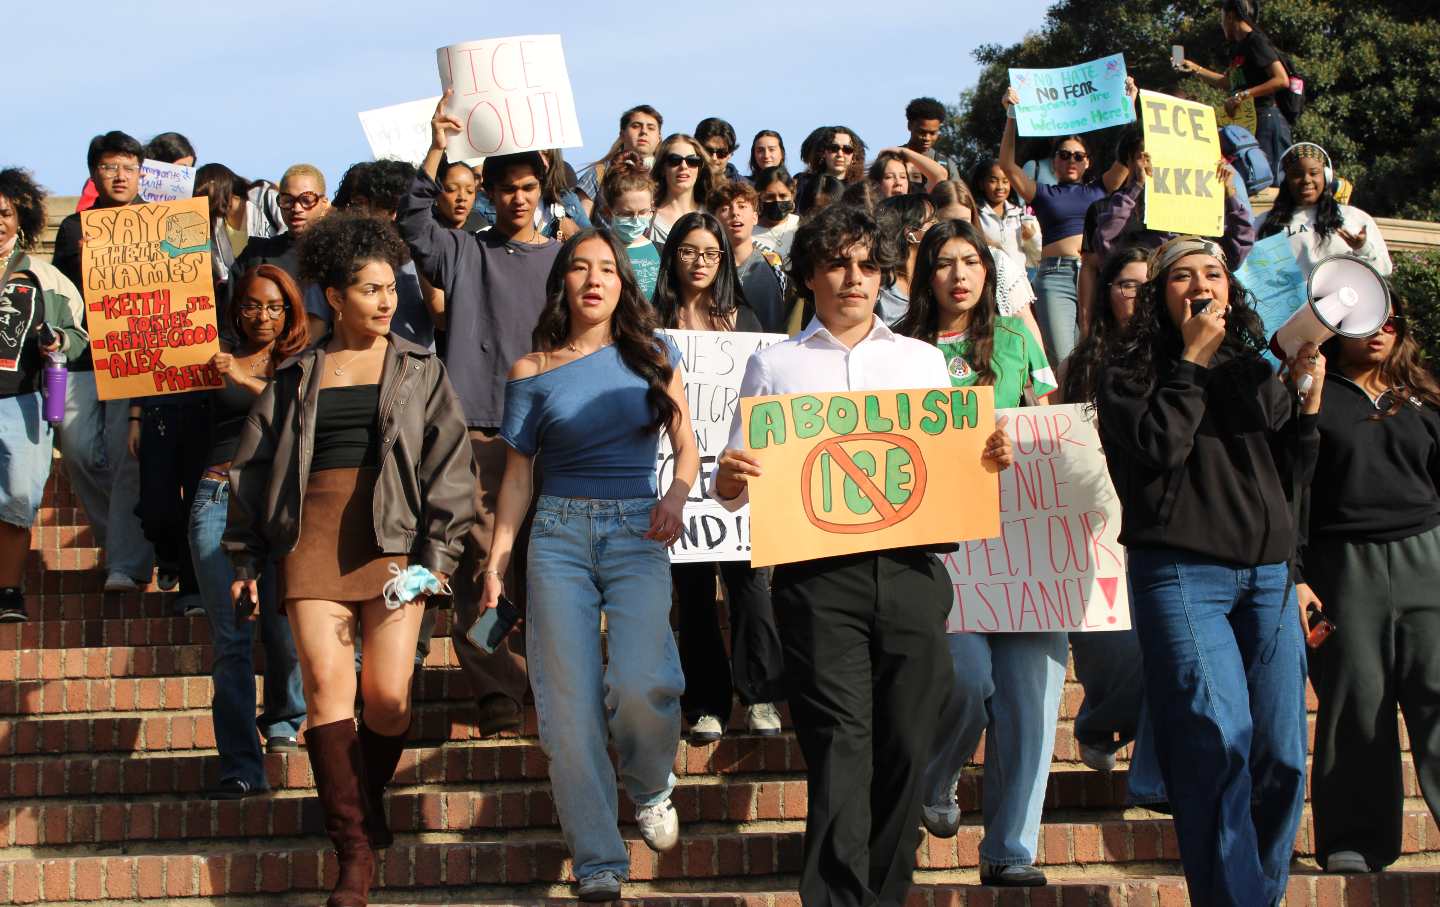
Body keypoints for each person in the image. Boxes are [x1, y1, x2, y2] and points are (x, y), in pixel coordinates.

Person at [712, 203, 1015, 906]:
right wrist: (729, 479)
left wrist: (987, 456)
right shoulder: (772, 363)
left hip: (913, 572)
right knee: (839, 748)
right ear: (810, 274)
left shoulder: (921, 359)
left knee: (909, 743)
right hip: (816, 582)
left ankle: (883, 892)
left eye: (867, 264)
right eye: (838, 263)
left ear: (883, 273)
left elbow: (952, 464)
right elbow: (736, 481)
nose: (854, 277)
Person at [226, 212, 475, 907]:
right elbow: (255, 465)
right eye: (370, 289)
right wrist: (245, 557)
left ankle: (363, 795)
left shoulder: (420, 366)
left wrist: (439, 555)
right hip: (311, 540)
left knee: (389, 697)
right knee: (329, 699)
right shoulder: (298, 370)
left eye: (391, 287)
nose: (386, 300)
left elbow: (451, 468)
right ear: (334, 297)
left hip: (395, 542)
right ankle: (354, 854)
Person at [1095, 235, 1323, 906]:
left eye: (1215, 274)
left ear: (1231, 289)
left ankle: (1259, 894)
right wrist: (1191, 360)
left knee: (1281, 755)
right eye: (1183, 277)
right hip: (1183, 576)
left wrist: (1305, 404)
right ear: (1157, 296)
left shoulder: (1251, 368)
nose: (1202, 285)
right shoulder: (1125, 372)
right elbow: (1162, 446)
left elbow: (1293, 473)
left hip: (1268, 578)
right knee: (1217, 741)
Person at [479, 228, 698, 901]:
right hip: (557, 536)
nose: (595, 278)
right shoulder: (531, 370)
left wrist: (677, 494)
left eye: (608, 268)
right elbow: (518, 477)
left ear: (621, 283)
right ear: (563, 283)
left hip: (638, 528)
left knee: (641, 681)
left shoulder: (655, 356)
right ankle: (599, 859)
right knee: (567, 709)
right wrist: (497, 563)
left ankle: (652, 780)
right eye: (580, 267)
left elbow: (686, 446)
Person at [892, 220, 1060, 885]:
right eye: (943, 262)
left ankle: (1011, 852)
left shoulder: (1019, 337)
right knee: (966, 678)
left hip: (1026, 542)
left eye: (971, 261)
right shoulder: (899, 347)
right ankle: (935, 780)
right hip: (940, 542)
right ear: (923, 275)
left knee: (1032, 700)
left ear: (988, 273)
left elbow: (1049, 423)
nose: (959, 274)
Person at [397, 92, 562, 735]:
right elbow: (414, 225)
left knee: (544, 567)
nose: (517, 199)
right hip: (478, 432)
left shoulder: (563, 260)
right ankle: (497, 686)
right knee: (477, 567)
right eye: (506, 188)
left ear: (540, 189)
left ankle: (547, 677)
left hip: (552, 432)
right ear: (487, 191)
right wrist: (437, 147)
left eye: (528, 187)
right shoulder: (463, 252)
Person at [1297, 293, 1440, 875]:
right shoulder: (1312, 395)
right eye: (1362, 322)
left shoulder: (1427, 396)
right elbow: (1295, 490)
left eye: (1388, 320)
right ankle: (1354, 840)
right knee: (1357, 701)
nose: (1377, 332)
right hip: (1343, 566)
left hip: (1429, 558)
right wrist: (1297, 577)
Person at [649, 211, 783, 741]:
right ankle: (706, 703)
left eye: (710, 253)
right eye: (688, 251)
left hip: (737, 478)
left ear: (724, 260)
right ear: (672, 256)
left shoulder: (747, 322)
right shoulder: (649, 323)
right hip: (674, 477)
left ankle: (762, 694)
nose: (699, 262)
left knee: (751, 586)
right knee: (693, 590)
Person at [1055, 245, 1168, 808]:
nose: (1138, 295)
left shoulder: (1178, 356)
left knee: (1161, 645)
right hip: (1093, 524)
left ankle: (1153, 770)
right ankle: (1100, 724)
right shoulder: (1083, 364)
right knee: (1109, 648)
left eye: (1149, 284)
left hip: (1159, 521)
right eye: (1126, 284)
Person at [192, 264, 308, 795]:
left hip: (281, 503)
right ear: (236, 308)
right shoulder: (213, 355)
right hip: (218, 496)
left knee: (284, 623)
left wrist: (244, 379)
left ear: (290, 310)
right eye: (251, 306)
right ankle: (241, 765)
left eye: (273, 306)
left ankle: (285, 719)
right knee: (231, 639)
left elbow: (302, 419)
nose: (262, 316)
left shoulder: (306, 358)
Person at [50, 130, 156, 593]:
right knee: (75, 448)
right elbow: (58, 292)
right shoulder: (74, 227)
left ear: (141, 174)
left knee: (124, 456)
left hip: (135, 355)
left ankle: (126, 564)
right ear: (94, 173)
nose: (119, 175)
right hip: (83, 358)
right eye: (110, 167)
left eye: (129, 167)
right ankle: (121, 541)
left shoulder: (158, 221)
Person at [0, 169, 88, 622]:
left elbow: (78, 333)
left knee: (17, 495)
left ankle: (8, 590)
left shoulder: (42, 276)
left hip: (23, 402)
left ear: (22, 218)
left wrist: (58, 342)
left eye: (5, 213)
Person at [1000, 82, 1132, 364]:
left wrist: (1128, 105)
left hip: (1095, 275)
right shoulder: (1042, 192)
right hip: (1054, 277)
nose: (1071, 160)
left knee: (1097, 353)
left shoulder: (1100, 189)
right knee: (1063, 358)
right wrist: (1011, 116)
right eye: (1064, 155)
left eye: (1078, 156)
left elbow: (1129, 159)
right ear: (1054, 161)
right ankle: (1066, 409)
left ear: (1088, 162)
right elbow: (1008, 166)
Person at [308, 159, 436, 351]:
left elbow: (441, 316)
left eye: (404, 207)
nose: (395, 216)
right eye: (387, 207)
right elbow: (313, 340)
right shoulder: (334, 262)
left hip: (413, 374)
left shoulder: (426, 254)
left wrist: (422, 257)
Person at [1178, 0, 1293, 185]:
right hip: (1248, 123)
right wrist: (1195, 68)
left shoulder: (1255, 41)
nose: (1221, 23)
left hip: (1266, 119)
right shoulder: (1238, 48)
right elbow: (1228, 83)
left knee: (1269, 180)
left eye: (1222, 18)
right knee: (1251, 177)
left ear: (1230, 16)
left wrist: (1242, 96)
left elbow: (1281, 79)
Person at [930, 180, 1046, 350]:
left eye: (963, 222)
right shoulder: (923, 261)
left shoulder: (997, 261)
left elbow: (1025, 324)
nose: (956, 231)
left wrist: (1042, 373)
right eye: (946, 223)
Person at [1257, 142, 1392, 280]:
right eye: (1296, 174)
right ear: (1285, 179)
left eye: (1314, 173)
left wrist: (1362, 248)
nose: (1306, 180)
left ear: (1326, 176)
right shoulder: (1263, 223)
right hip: (1293, 301)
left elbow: (1384, 269)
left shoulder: (1354, 217)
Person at [229, 163, 332, 315]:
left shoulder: (338, 253)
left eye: (307, 200)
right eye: (287, 200)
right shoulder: (257, 254)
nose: (297, 208)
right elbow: (230, 312)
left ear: (324, 203)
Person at [194, 164, 286, 300]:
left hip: (278, 285)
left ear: (217, 185)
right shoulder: (213, 226)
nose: (202, 202)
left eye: (204, 194)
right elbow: (223, 274)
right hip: (247, 299)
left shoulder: (263, 197)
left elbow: (288, 231)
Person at [709, 182, 788, 332]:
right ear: (715, 220)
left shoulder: (774, 264)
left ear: (755, 217)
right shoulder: (707, 266)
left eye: (742, 206)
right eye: (725, 208)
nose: (735, 213)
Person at [576, 104, 664, 221]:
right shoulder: (599, 173)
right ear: (622, 134)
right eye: (636, 126)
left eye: (651, 128)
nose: (643, 131)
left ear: (659, 137)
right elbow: (580, 223)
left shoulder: (666, 175)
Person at [602, 161, 662, 301]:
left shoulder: (660, 250)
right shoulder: (600, 249)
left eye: (642, 212)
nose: (635, 220)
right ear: (608, 212)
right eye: (626, 214)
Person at [873, 194, 936, 325]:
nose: (938, 226)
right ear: (910, 232)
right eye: (932, 221)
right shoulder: (879, 287)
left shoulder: (936, 278)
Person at [649, 135, 716, 247]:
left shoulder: (714, 215)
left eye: (692, 161)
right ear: (662, 168)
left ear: (700, 168)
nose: (684, 166)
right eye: (674, 160)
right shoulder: (645, 216)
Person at [971, 157, 1034, 269]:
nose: (1000, 187)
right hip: (989, 277)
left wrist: (1032, 237)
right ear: (981, 184)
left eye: (1005, 181)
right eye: (993, 181)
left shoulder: (1020, 213)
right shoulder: (975, 213)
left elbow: (1034, 254)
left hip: (1018, 279)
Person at [903, 96, 962, 182]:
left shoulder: (946, 165)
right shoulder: (893, 159)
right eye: (922, 132)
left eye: (932, 133)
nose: (927, 138)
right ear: (909, 126)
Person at [751, 165, 800, 261]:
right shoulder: (748, 232)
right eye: (770, 197)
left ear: (792, 195)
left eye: (783, 196)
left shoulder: (802, 225)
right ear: (759, 197)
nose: (777, 201)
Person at [867, 147, 946, 198]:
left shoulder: (917, 206)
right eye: (889, 177)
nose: (898, 182)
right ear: (876, 184)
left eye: (903, 177)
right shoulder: (870, 214)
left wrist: (903, 151)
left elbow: (940, 175)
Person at [696, 117, 745, 183]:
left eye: (721, 153)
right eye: (707, 151)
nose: (714, 158)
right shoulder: (682, 185)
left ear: (730, 154)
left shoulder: (746, 190)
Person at [434, 159, 477, 230]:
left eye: (470, 191)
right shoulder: (423, 229)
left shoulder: (482, 229)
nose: (462, 197)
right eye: (452, 189)